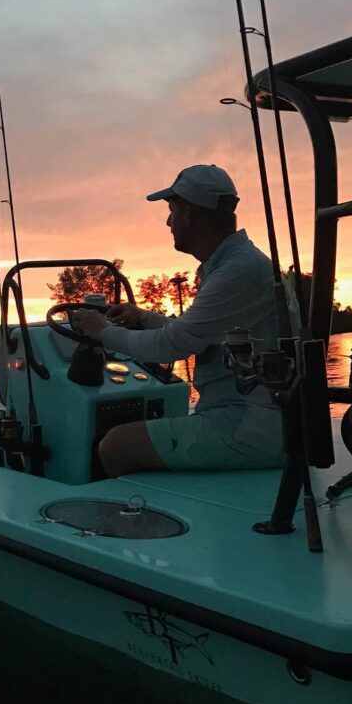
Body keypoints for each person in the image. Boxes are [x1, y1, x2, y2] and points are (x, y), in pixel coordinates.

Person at [74, 164, 285, 477]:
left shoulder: (236, 272)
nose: (169, 221)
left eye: (173, 211)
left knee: (114, 445)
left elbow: (170, 346)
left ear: (189, 214)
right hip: (258, 418)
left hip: (249, 427)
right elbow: (197, 336)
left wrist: (100, 330)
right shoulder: (237, 264)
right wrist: (144, 318)